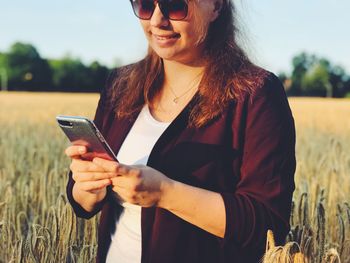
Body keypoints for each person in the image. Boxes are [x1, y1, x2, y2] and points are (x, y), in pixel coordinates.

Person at [64, 0, 296, 262]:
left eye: (175, 6)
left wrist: (165, 192)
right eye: (144, 5)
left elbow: (267, 224)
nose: (156, 21)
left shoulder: (256, 94)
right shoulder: (119, 86)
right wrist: (87, 187)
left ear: (217, 7)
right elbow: (82, 203)